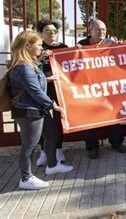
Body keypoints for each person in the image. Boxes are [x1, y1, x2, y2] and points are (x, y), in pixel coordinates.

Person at [8, 31, 73, 190]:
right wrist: (54, 106)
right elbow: (35, 90)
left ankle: (52, 165)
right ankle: (26, 178)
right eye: (38, 44)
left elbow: (38, 79)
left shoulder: (30, 63)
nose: (41, 47)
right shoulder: (23, 67)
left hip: (37, 110)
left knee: (51, 134)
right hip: (28, 111)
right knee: (29, 145)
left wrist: (46, 72)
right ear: (28, 46)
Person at [78, 19, 126, 159]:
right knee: (89, 120)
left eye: (104, 30)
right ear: (90, 30)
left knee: (113, 118)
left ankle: (117, 144)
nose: (102, 32)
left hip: (108, 89)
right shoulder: (81, 45)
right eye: (98, 29)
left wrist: (125, 47)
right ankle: (92, 147)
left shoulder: (110, 44)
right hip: (88, 89)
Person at [35, 20, 69, 166]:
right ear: (41, 34)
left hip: (59, 91)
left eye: (54, 31)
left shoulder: (63, 48)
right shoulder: (36, 49)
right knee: (42, 122)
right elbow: (28, 66)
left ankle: (58, 149)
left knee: (57, 121)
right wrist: (40, 58)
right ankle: (43, 151)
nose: (52, 34)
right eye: (48, 31)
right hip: (40, 92)